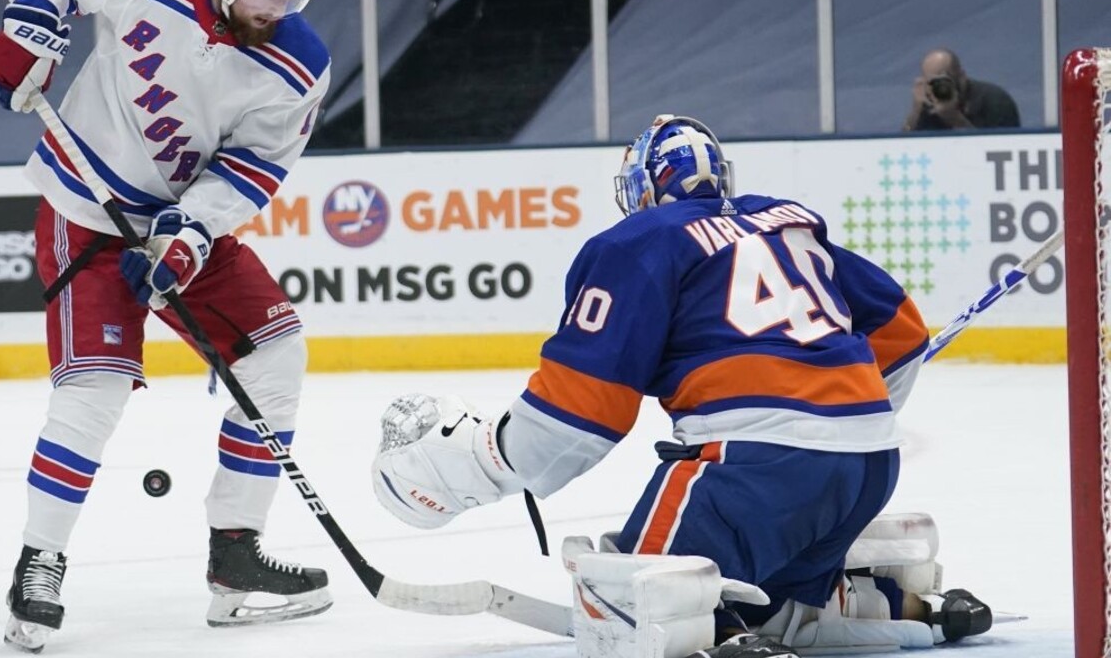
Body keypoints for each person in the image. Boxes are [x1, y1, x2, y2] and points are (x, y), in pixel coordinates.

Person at [372, 115, 992, 658]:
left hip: (752, 466)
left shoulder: (640, 241)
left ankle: (723, 635)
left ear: (642, 189)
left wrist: (481, 464)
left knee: (634, 598)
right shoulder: (784, 223)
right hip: (869, 464)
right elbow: (902, 337)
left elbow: (578, 416)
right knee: (774, 590)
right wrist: (835, 409)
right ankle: (894, 606)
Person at [0, 0, 332, 651]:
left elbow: (253, 165)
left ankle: (236, 552)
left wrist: (189, 234)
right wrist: (33, 20)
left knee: (276, 355)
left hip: (180, 219)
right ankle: (39, 565)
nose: (279, 7)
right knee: (95, 390)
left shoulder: (300, 62)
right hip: (86, 211)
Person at [902, 48, 1019, 131]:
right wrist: (915, 112)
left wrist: (955, 118)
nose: (940, 88)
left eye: (945, 80)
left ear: (962, 77)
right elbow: (905, 147)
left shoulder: (995, 100)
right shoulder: (928, 103)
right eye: (933, 82)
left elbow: (1002, 149)